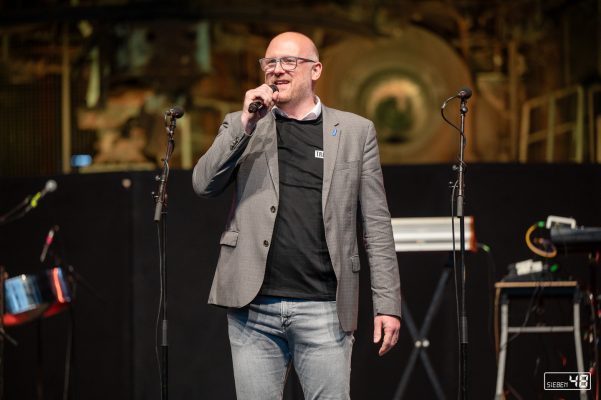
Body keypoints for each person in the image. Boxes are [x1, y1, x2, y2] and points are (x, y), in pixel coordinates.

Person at [192, 32, 401, 400]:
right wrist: (245, 123)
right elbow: (203, 184)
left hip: (324, 307)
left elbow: (377, 224)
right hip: (254, 308)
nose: (277, 70)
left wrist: (387, 304)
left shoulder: (355, 131)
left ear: (315, 70)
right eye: (270, 62)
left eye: (289, 61)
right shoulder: (244, 125)